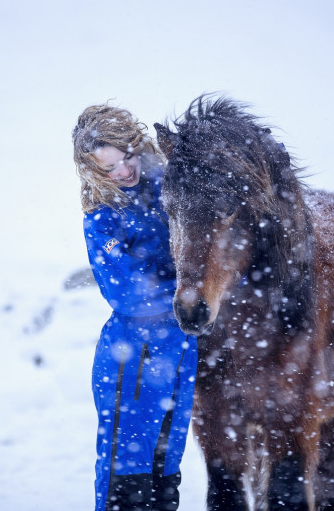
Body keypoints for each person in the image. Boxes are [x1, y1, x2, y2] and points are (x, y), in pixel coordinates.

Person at [72, 103, 198, 511]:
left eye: (127, 156)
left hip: (180, 351)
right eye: (109, 168)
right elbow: (126, 294)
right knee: (126, 480)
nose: (124, 170)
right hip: (132, 359)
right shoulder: (102, 217)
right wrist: (188, 294)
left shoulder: (170, 190)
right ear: (93, 172)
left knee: (165, 475)